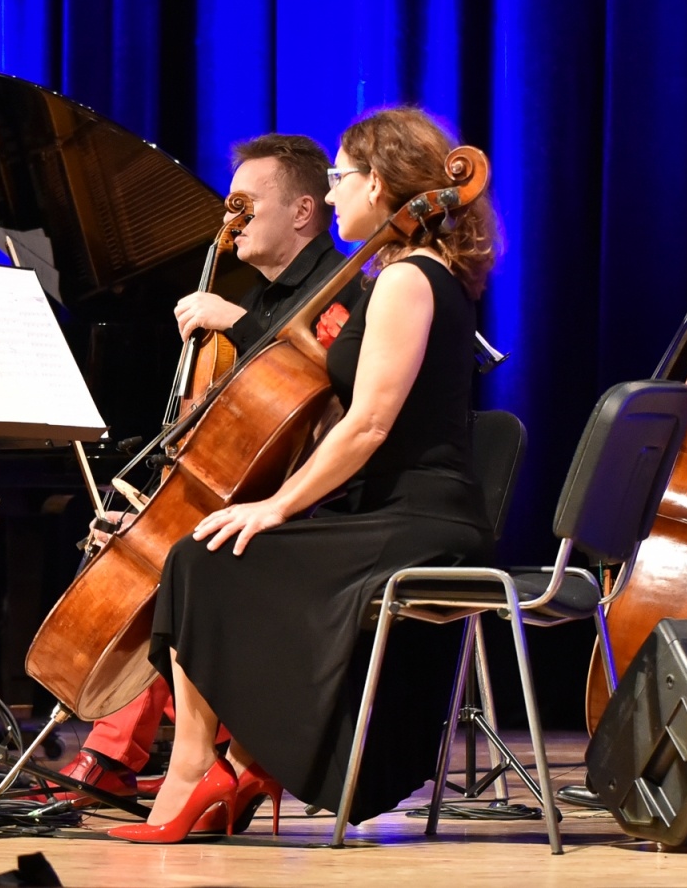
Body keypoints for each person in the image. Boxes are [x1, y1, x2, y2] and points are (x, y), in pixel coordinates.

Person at [106, 106, 498, 843]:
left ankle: (203, 769)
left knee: (202, 558)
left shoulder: (409, 279)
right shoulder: (401, 275)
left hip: (420, 522)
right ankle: (239, 761)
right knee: (208, 554)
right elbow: (350, 401)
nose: (336, 192)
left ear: (378, 184)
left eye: (342, 179)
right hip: (392, 511)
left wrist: (278, 507)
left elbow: (371, 423)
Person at [54, 132, 350, 806]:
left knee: (178, 561)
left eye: (245, 205)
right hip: (252, 499)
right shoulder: (268, 297)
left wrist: (238, 324)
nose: (230, 221)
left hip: (314, 509)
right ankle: (167, 751)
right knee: (141, 539)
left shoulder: (340, 293)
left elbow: (326, 382)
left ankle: (117, 756)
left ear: (303, 211)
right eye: (228, 206)